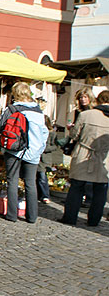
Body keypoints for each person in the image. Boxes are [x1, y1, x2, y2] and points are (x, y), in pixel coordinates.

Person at [0, 82, 48, 223]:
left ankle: (12, 215)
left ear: (15, 93)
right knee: (30, 183)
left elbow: (0, 127)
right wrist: (39, 149)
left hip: (14, 150)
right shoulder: (38, 111)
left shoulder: (12, 109)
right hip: (33, 152)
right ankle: (32, 216)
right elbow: (44, 133)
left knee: (12, 181)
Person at [60, 90, 109, 226]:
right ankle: (94, 220)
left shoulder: (86, 115)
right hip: (104, 157)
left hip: (84, 153)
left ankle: (70, 217)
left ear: (98, 100)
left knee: (77, 187)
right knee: (100, 190)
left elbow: (75, 135)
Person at [36, 116, 57, 204]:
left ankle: (45, 195)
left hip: (44, 158)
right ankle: (38, 194)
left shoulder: (52, 134)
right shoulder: (36, 132)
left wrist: (45, 148)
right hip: (36, 157)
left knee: (42, 177)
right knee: (36, 177)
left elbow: (55, 146)